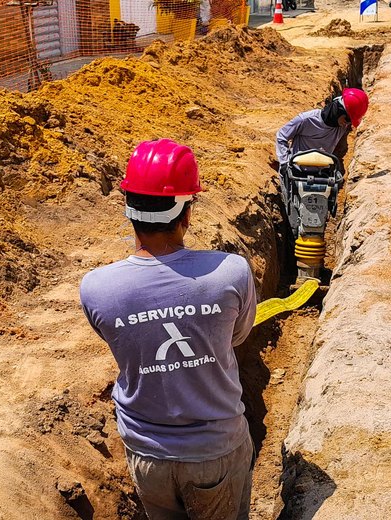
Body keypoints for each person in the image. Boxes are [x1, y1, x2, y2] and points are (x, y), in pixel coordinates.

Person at [80, 139, 257, 520]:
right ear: (186, 213)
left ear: (128, 209)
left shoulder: (96, 287)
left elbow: (119, 341)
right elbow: (237, 336)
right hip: (216, 452)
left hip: (148, 457)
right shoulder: (231, 271)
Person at [275, 88, 369, 233]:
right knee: (294, 215)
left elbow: (341, 148)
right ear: (338, 111)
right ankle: (292, 236)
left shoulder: (341, 127)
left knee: (319, 214)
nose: (347, 124)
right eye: (347, 119)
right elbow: (281, 136)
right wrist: (284, 163)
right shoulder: (306, 120)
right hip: (296, 172)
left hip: (322, 174)